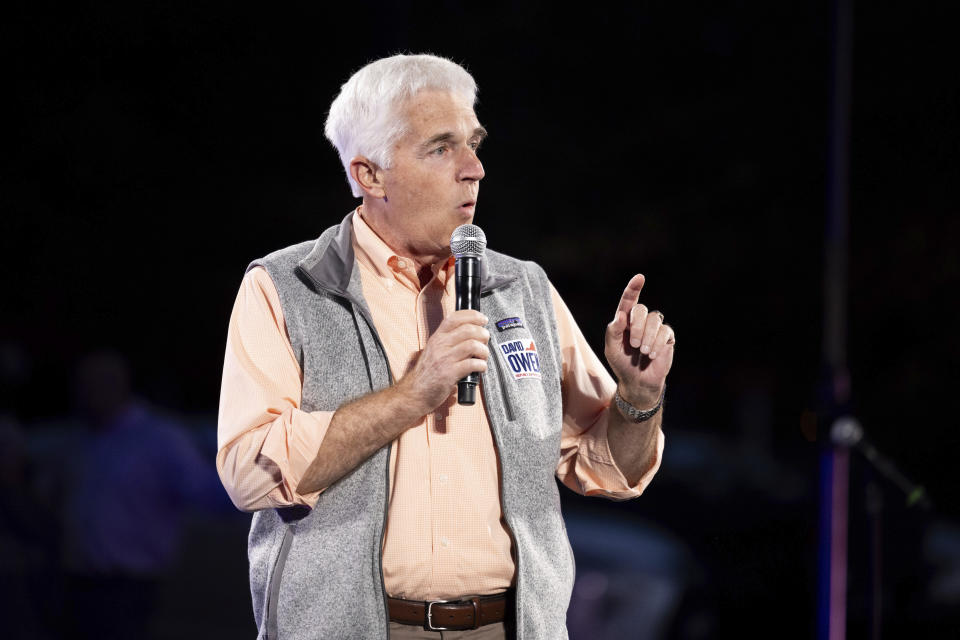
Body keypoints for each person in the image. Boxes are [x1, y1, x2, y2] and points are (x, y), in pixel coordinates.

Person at [216, 53, 675, 640]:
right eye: (441, 148)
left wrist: (639, 398)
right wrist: (413, 394)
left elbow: (608, 469)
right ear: (369, 175)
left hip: (509, 627)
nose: (475, 168)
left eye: (474, 142)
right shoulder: (287, 286)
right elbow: (248, 473)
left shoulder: (521, 288)